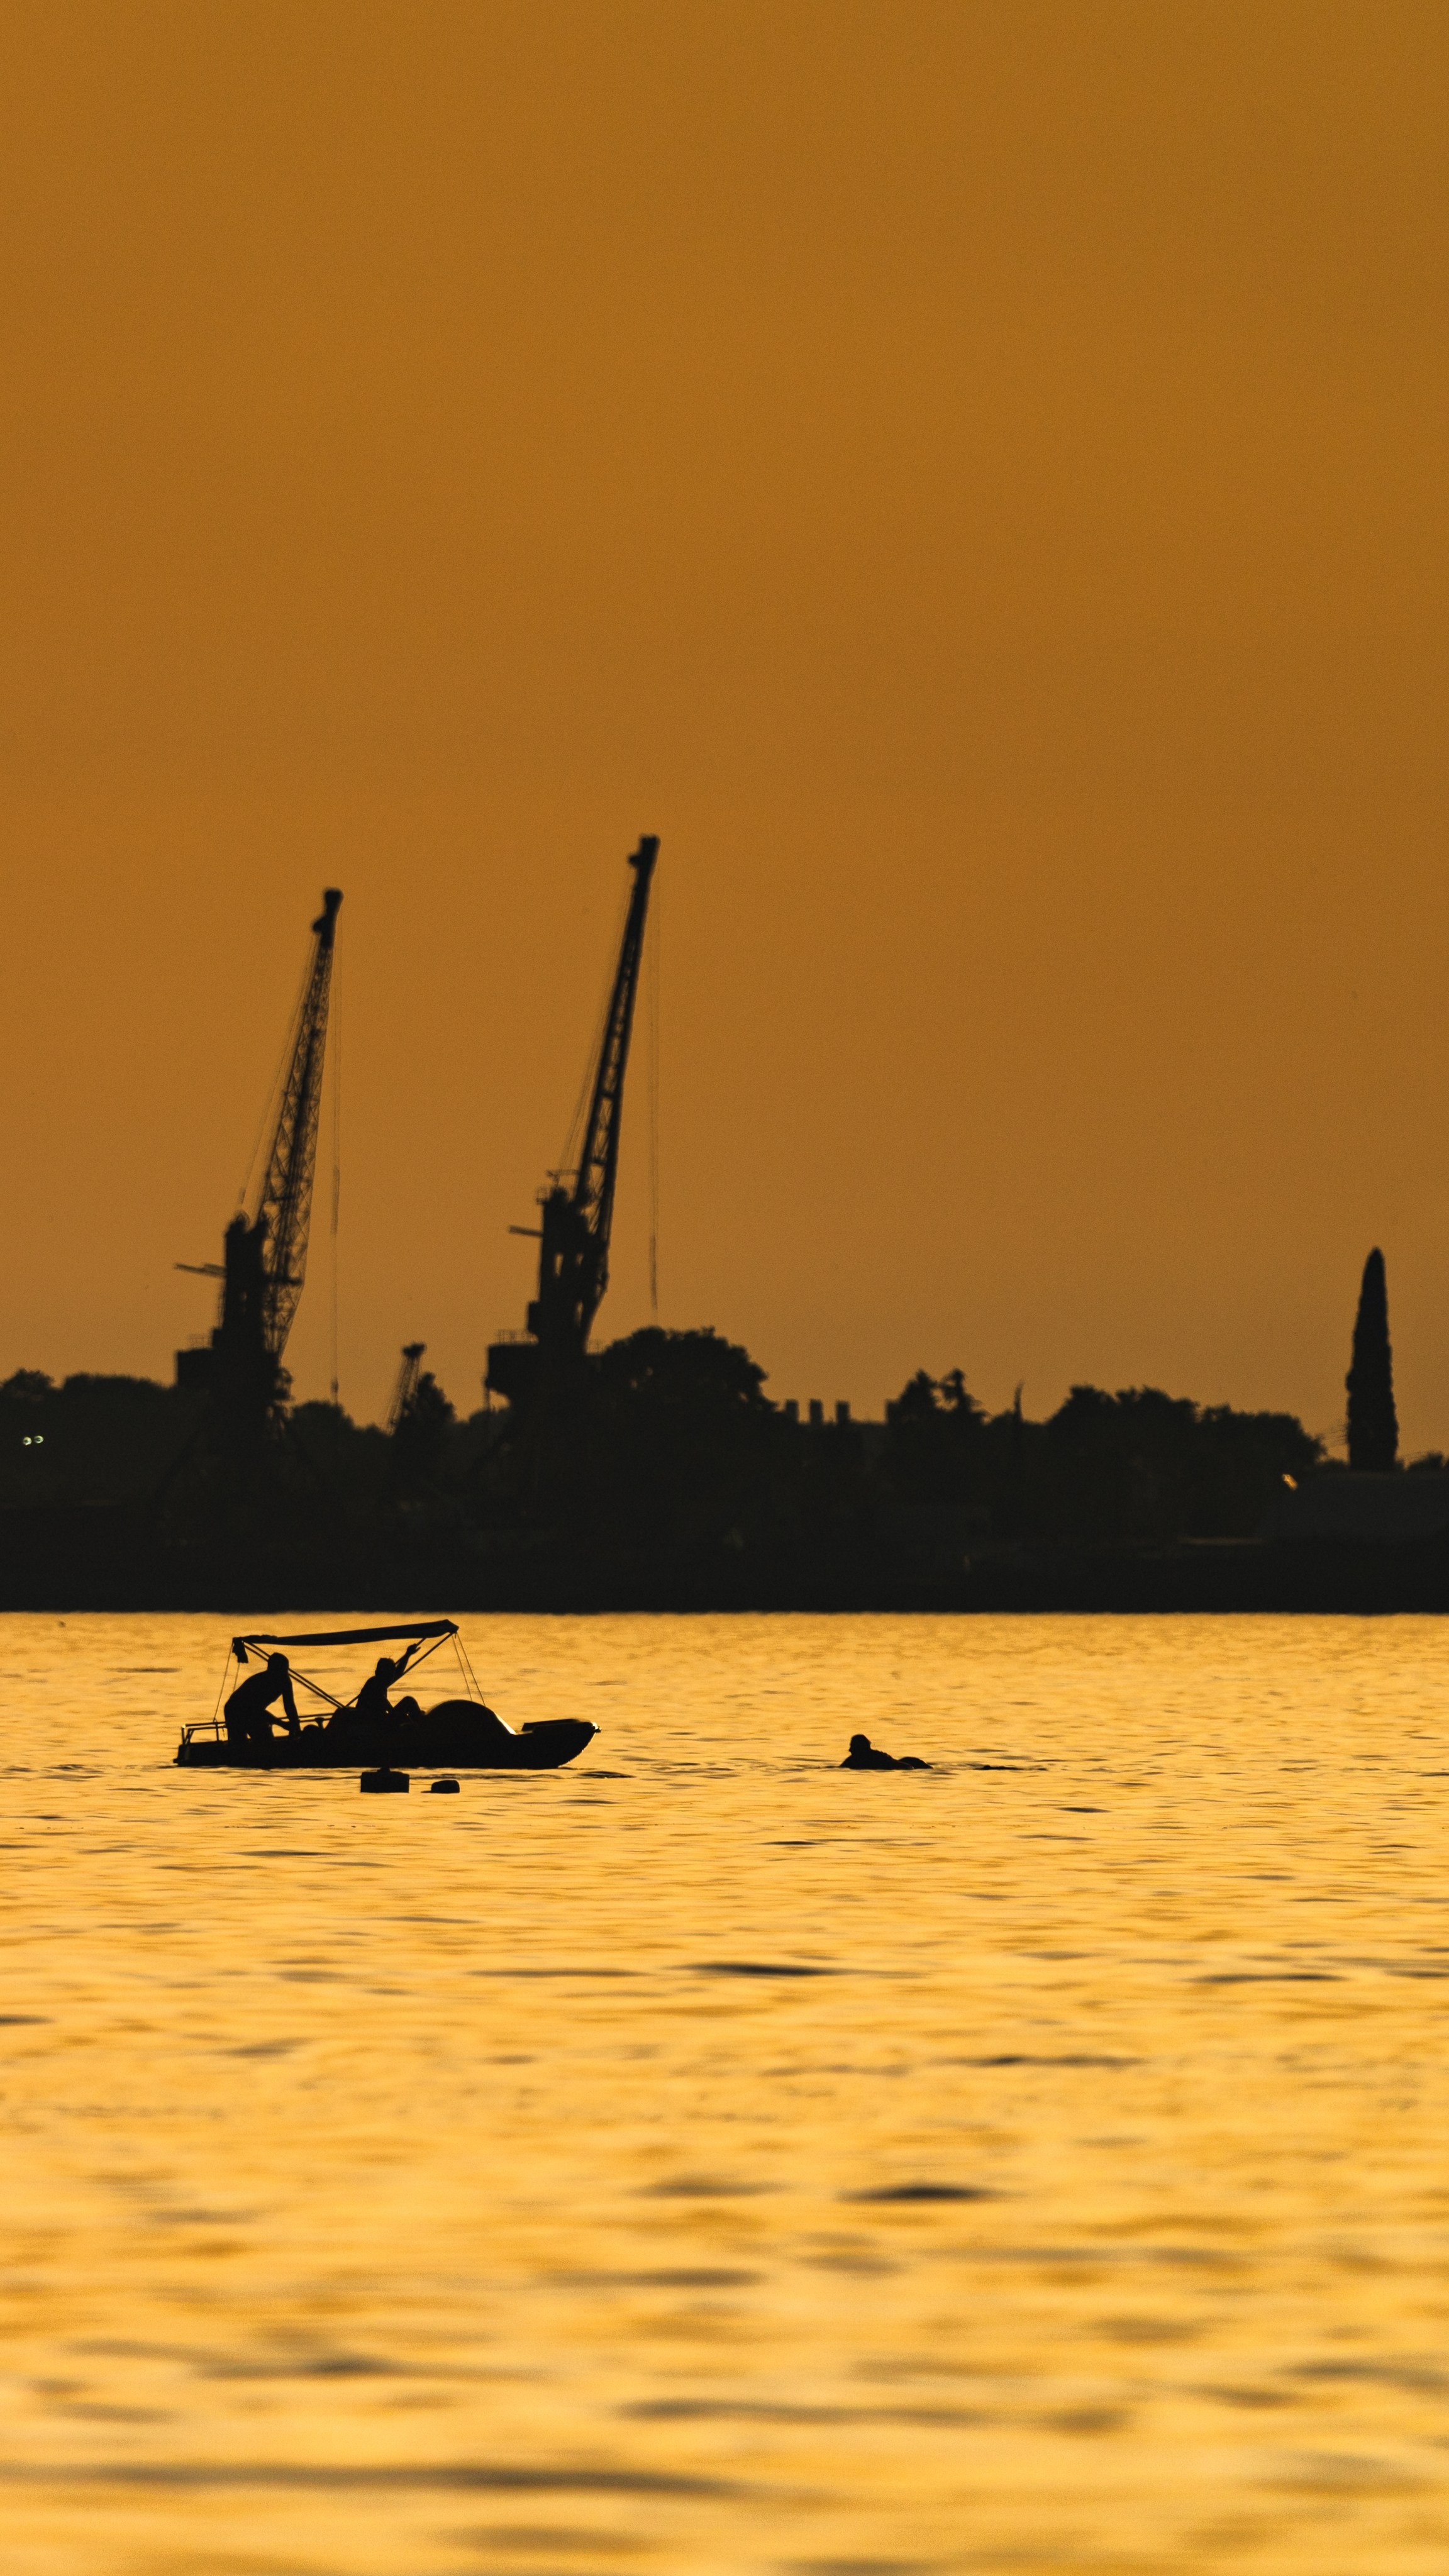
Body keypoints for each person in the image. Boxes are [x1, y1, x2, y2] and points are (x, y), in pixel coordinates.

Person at [225, 1652, 299, 1748]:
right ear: (272, 1669)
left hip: (254, 1712)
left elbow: (289, 1705)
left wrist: (296, 1727)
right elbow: (255, 1710)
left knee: (266, 1740)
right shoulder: (260, 1683)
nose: (285, 1673)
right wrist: (281, 1724)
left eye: (286, 1669)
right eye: (282, 1669)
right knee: (242, 1744)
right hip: (234, 1710)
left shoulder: (285, 1681)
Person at [840, 1731, 931, 1771]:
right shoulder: (876, 1755)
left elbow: (841, 1769)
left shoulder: (855, 1760)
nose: (850, 1750)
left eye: (852, 1746)